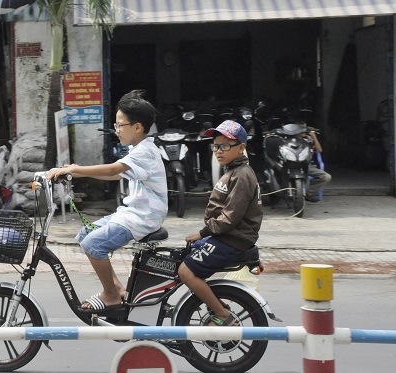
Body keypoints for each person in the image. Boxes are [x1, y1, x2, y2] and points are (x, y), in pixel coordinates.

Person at [47, 90, 168, 311]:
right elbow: (115, 174)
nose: (117, 130)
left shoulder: (145, 151)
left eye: (120, 125)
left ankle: (110, 295)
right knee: (84, 234)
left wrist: (76, 169)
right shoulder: (137, 149)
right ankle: (118, 289)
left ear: (138, 127)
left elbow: (114, 168)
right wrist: (74, 173)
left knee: (93, 245)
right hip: (132, 213)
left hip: (143, 218)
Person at [178, 120, 263, 326]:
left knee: (185, 271)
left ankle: (222, 314)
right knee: (184, 255)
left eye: (225, 146)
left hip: (232, 239)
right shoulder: (233, 171)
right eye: (215, 146)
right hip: (225, 236)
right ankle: (214, 303)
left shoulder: (242, 175)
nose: (218, 151)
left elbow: (231, 216)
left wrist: (204, 232)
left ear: (241, 148)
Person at [303, 129, 331, 202]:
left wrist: (314, 136)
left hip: (308, 166)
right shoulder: (290, 139)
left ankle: (307, 192)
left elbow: (319, 150)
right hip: (293, 166)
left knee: (326, 177)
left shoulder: (309, 140)